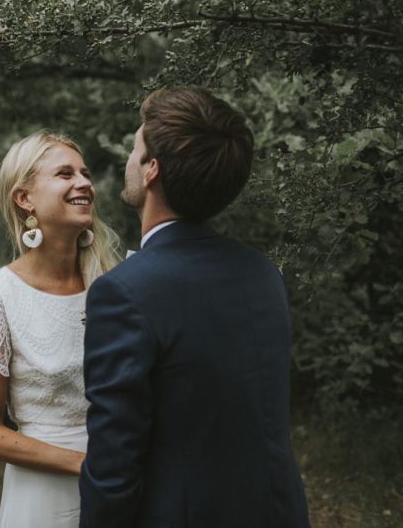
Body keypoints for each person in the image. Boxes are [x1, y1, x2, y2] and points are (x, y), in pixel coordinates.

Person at [79, 88, 311, 527]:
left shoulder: (124, 291)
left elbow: (114, 465)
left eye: (135, 148)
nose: (129, 159)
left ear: (151, 170)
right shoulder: (262, 273)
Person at [0, 131, 120, 527]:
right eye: (64, 174)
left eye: (84, 173)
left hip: (120, 487)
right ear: (24, 198)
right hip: (45, 496)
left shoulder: (113, 284)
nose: (83, 182)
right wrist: (87, 466)